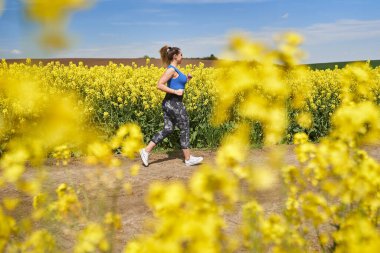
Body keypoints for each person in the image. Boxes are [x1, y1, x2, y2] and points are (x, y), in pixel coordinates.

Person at [139, 45, 203, 167]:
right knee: (185, 126)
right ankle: (188, 158)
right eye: (181, 55)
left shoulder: (175, 69)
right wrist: (175, 92)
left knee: (168, 129)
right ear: (175, 56)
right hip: (174, 102)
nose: (182, 57)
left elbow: (176, 83)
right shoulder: (171, 70)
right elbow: (159, 85)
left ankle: (146, 151)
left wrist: (187, 79)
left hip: (169, 103)